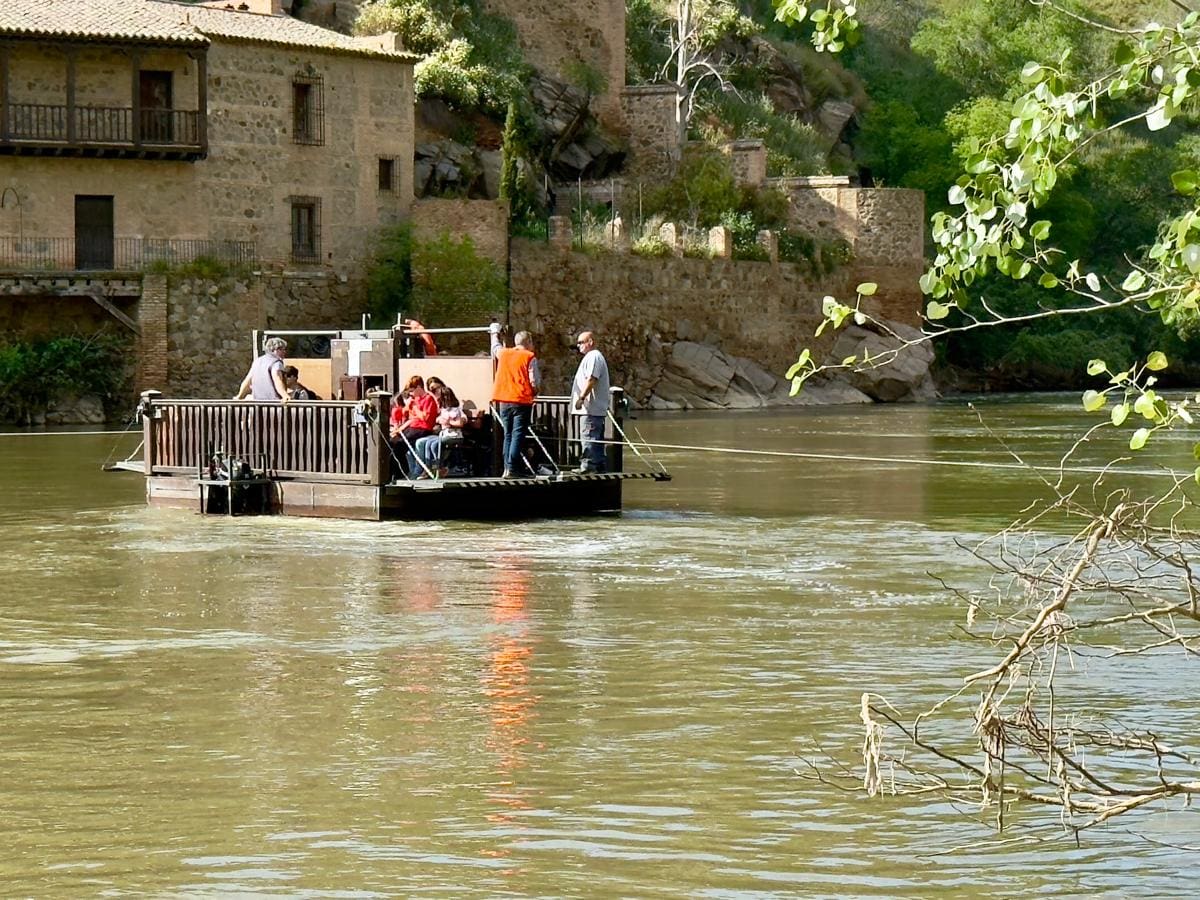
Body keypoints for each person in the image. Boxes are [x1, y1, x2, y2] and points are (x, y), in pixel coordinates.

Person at [490, 324, 540, 478]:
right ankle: (512, 469)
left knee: (508, 435)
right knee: (518, 434)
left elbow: (495, 347)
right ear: (529, 342)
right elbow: (534, 381)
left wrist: (495, 332)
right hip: (521, 400)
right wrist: (535, 393)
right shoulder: (529, 356)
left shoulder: (504, 353)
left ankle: (506, 468)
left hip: (504, 400)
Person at [570, 330, 610, 473]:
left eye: (581, 342)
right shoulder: (593, 357)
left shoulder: (593, 356)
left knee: (588, 436)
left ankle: (588, 466)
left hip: (591, 407)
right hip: (595, 408)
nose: (578, 345)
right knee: (595, 438)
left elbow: (592, 379)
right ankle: (598, 466)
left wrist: (581, 398)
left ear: (590, 342)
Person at [390, 375, 439, 478]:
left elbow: (425, 417)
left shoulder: (429, 399)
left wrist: (415, 408)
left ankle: (401, 473)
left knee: (400, 445)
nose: (411, 394)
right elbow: (409, 417)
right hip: (413, 427)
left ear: (418, 387)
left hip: (423, 428)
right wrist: (399, 430)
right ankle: (396, 472)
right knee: (393, 442)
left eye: (412, 391)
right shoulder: (416, 399)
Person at [414, 384, 467, 478]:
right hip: (444, 434)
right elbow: (437, 418)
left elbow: (460, 423)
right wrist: (438, 420)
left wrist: (448, 422)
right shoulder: (444, 410)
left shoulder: (456, 410)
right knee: (428, 443)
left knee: (434, 444)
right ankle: (429, 468)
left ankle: (438, 467)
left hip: (454, 435)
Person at [234, 336, 288, 401]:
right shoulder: (276, 363)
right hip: (273, 403)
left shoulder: (257, 361)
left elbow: (247, 381)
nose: (284, 352)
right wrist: (285, 396)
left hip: (258, 402)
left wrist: (239, 396)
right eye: (283, 349)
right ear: (275, 350)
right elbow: (277, 379)